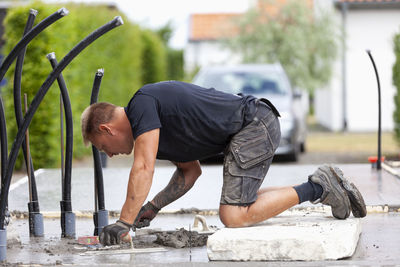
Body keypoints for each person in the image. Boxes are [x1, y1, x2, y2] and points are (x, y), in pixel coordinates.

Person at [80, 81, 366, 246]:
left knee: (234, 215)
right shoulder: (155, 129)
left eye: (104, 148)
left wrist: (123, 222)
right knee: (241, 205)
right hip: (252, 126)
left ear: (107, 130)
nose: (110, 155)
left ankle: (318, 188)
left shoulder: (141, 105)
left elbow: (143, 168)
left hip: (254, 124)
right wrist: (154, 206)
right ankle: (321, 186)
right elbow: (190, 172)